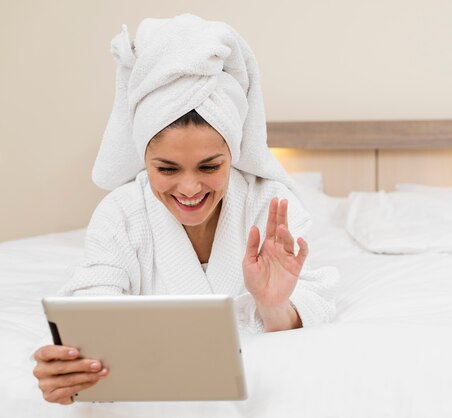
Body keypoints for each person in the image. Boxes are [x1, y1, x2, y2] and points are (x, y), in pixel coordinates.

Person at [31, 14, 338, 405]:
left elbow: (314, 308)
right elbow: (91, 307)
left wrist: (274, 305)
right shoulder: (122, 213)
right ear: (145, 160)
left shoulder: (270, 206)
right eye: (167, 169)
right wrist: (68, 365)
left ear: (234, 154)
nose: (190, 189)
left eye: (210, 167)